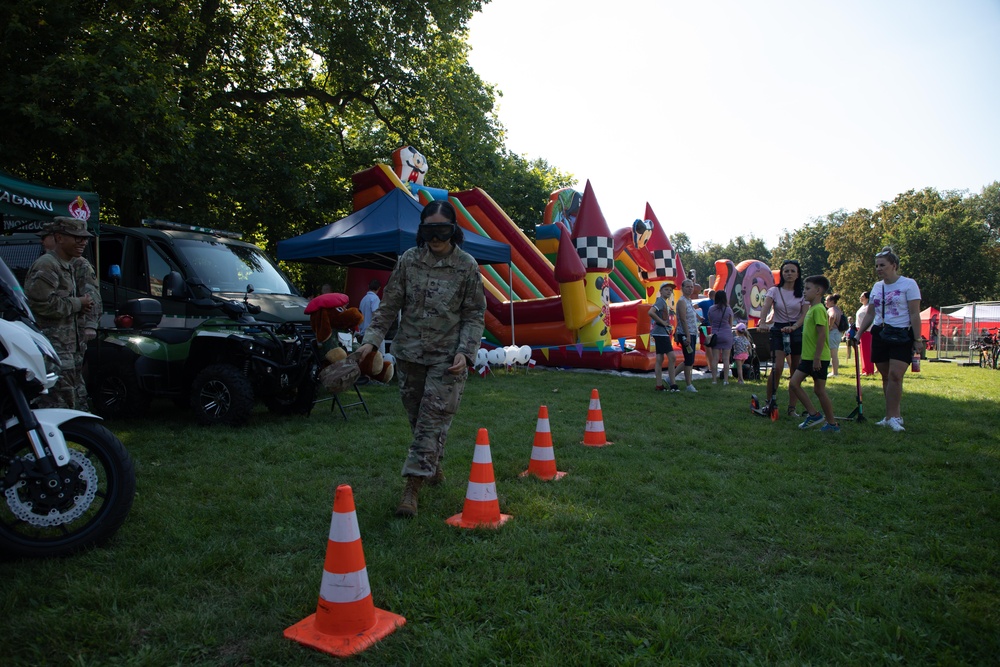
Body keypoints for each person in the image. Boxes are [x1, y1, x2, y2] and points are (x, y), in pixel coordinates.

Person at [356, 200, 486, 517]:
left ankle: (410, 491)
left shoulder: (466, 266)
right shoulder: (408, 261)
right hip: (410, 355)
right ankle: (433, 465)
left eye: (442, 229)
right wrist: (370, 341)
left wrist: (465, 351)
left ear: (453, 230)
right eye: (429, 230)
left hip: (447, 359)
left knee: (430, 424)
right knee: (418, 421)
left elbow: (474, 315)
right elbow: (388, 307)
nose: (436, 237)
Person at [23, 217, 97, 410]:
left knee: (71, 398)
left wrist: (83, 308)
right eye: (76, 237)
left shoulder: (71, 265)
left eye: (85, 238)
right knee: (55, 402)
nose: (82, 242)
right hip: (52, 348)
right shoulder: (48, 265)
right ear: (59, 238)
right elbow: (40, 304)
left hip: (67, 347)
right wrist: (77, 303)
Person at [856, 246, 922, 432]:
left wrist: (917, 338)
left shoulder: (909, 284)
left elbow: (914, 313)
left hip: (902, 334)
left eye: (882, 265)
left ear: (893, 265)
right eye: (876, 266)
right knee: (886, 376)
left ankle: (893, 416)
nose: (878, 269)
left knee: (895, 375)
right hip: (880, 333)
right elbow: (870, 313)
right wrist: (859, 334)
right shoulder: (877, 287)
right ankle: (891, 415)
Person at [757, 259, 808, 416]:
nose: (789, 274)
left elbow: (805, 314)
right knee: (777, 367)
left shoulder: (803, 293)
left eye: (793, 271)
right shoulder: (774, 291)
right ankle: (769, 402)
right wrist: (762, 322)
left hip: (797, 330)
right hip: (778, 329)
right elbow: (766, 307)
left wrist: (794, 327)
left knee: (795, 369)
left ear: (798, 274)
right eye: (786, 271)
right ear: (782, 273)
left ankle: (792, 408)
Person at [789, 275, 839, 432]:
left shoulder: (818, 310)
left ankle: (831, 424)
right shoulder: (812, 309)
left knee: (818, 390)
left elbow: (822, 335)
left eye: (807, 288)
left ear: (818, 291)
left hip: (817, 358)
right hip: (809, 357)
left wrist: (817, 358)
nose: (804, 291)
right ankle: (815, 414)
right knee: (794, 384)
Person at [647, 282, 679, 392]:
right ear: (661, 291)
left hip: (661, 332)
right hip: (660, 332)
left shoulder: (664, 302)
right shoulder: (660, 301)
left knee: (659, 358)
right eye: (666, 290)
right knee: (672, 357)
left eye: (670, 290)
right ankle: (672, 383)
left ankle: (659, 385)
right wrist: (662, 322)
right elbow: (650, 312)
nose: (669, 292)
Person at [675, 278, 699, 393]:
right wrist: (687, 335)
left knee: (689, 359)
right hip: (686, 334)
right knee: (689, 360)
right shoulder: (682, 301)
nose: (690, 289)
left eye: (691, 287)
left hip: (692, 333)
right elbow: (682, 320)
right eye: (687, 287)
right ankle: (689, 384)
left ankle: (670, 377)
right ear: (682, 288)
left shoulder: (689, 301)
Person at [706, 290, 734, 385]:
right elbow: (730, 323)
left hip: (715, 335)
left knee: (715, 358)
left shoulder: (711, 309)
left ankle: (714, 380)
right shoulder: (728, 309)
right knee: (726, 359)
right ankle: (725, 380)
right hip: (726, 334)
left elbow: (711, 322)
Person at [357, 279, 383, 352]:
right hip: (372, 334)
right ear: (379, 288)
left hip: (362, 332)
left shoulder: (364, 299)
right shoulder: (375, 299)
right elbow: (377, 314)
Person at [825, 293, 845, 376]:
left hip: (833, 333)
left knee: (833, 354)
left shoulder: (831, 309)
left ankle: (835, 372)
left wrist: (828, 328)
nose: (825, 302)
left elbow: (832, 317)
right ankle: (834, 371)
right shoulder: (838, 309)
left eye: (827, 300)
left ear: (831, 301)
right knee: (834, 353)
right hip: (837, 333)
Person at [855, 292, 874, 375]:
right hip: (860, 330)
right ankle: (864, 369)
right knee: (862, 351)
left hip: (867, 331)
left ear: (867, 298)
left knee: (867, 351)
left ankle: (869, 370)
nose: (860, 297)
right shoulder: (862, 307)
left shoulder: (869, 307)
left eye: (862, 296)